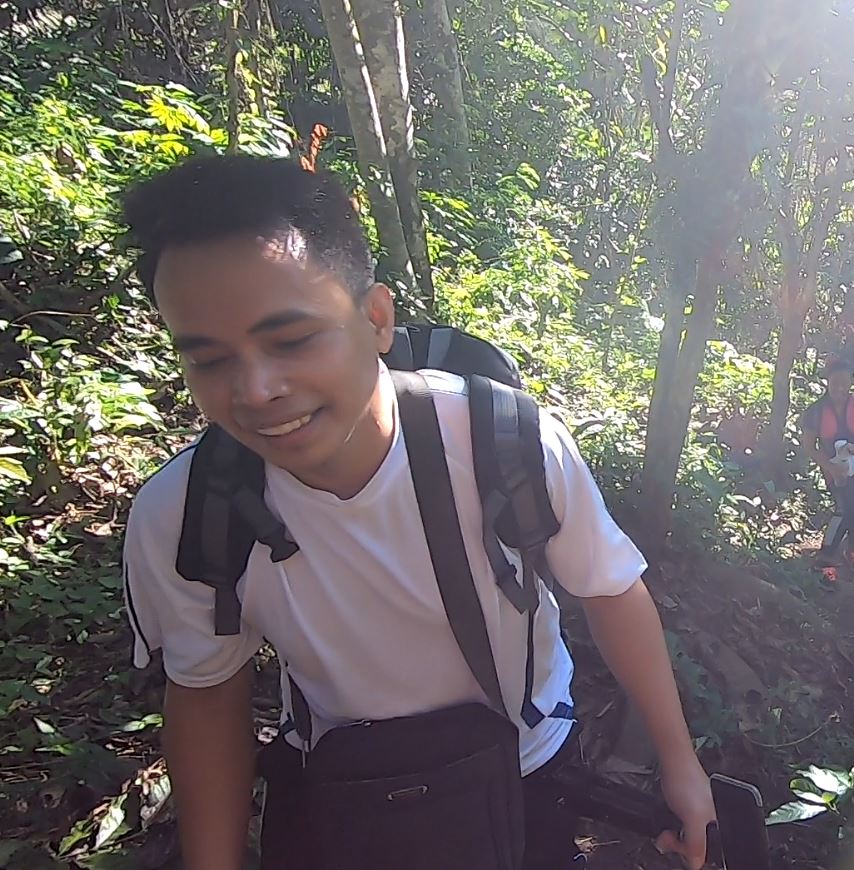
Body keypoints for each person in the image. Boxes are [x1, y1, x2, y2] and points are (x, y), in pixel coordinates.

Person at [119, 156, 714, 869]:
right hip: (338, 785)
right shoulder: (185, 512)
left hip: (523, 770)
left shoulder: (504, 442)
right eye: (210, 360)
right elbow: (208, 692)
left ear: (375, 318)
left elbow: (608, 588)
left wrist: (680, 765)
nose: (256, 389)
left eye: (291, 340)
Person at [799, 358, 854, 583]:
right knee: (844, 509)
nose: (840, 388)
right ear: (827, 382)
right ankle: (826, 557)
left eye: (845, 383)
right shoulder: (815, 411)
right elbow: (809, 446)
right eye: (835, 383)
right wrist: (830, 468)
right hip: (835, 470)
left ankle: (853, 548)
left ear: (851, 382)